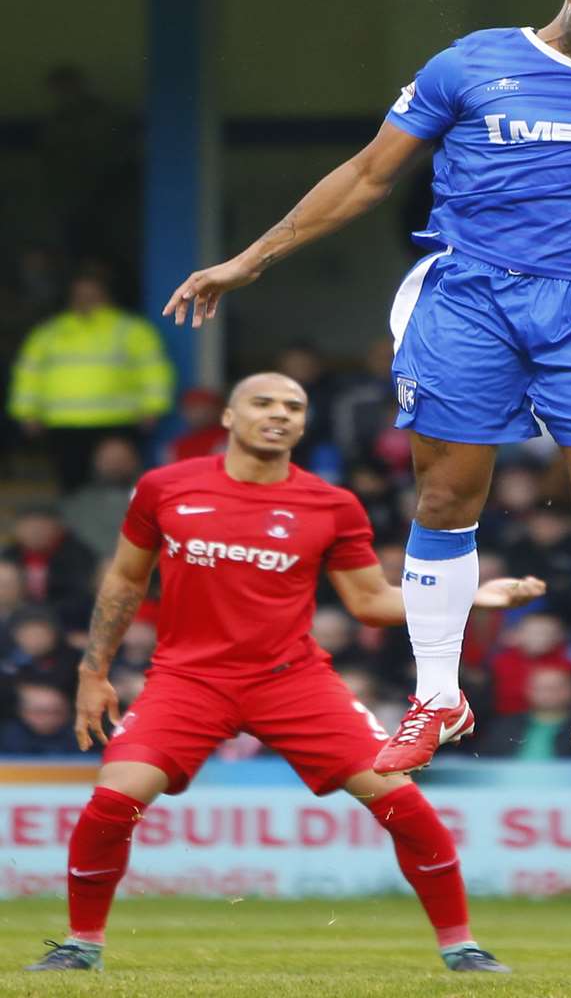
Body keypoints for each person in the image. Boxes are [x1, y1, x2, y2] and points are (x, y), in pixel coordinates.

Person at [164, 0, 571, 792]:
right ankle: (435, 697)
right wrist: (251, 259)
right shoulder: (470, 65)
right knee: (445, 495)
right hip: (471, 299)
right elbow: (366, 176)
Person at [26, 373, 542, 974]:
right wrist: (95, 671)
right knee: (114, 801)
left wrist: (470, 597)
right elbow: (124, 579)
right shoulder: (165, 488)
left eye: (294, 407)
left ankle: (462, 947)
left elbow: (371, 602)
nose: (279, 415)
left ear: (303, 424)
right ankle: (80, 945)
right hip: (187, 680)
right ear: (228, 416)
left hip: (292, 680)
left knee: (403, 803)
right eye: (263, 403)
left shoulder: (331, 504)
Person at [8, 268, 173, 492]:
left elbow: (154, 371)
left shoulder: (132, 330)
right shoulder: (49, 332)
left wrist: (153, 408)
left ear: (107, 296)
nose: (86, 300)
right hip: (63, 423)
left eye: (92, 294)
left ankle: (121, 527)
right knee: (72, 484)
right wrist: (26, 412)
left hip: (117, 420)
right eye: (80, 294)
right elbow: (28, 375)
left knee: (118, 483)